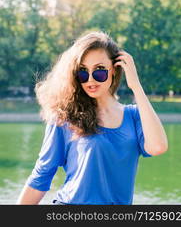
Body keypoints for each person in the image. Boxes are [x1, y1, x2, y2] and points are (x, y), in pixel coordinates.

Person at [17, 30, 168, 205]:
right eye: (83, 72)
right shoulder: (65, 116)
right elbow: (42, 174)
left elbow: (158, 146)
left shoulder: (134, 115)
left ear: (114, 69)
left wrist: (135, 85)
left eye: (99, 71)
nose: (90, 80)